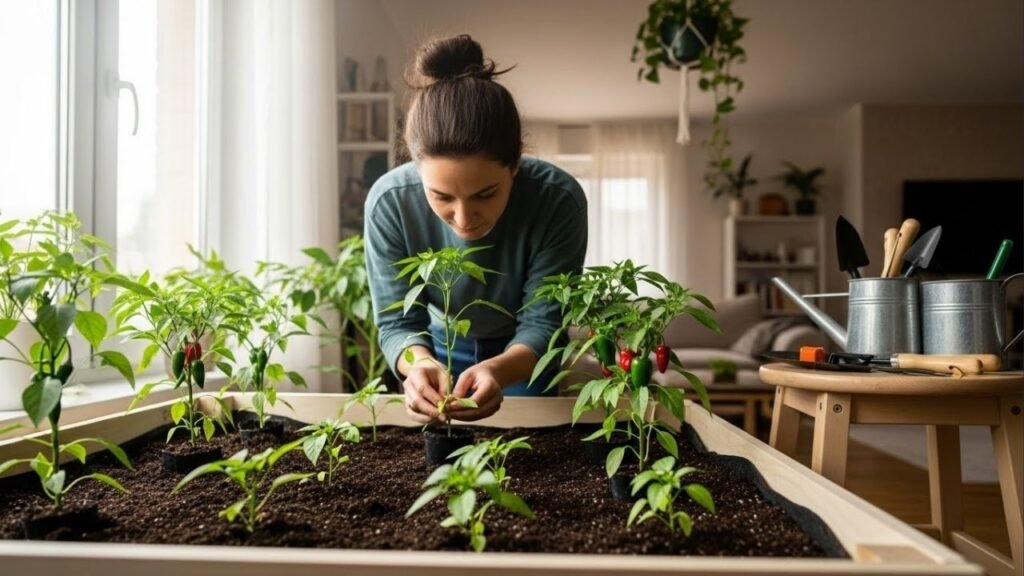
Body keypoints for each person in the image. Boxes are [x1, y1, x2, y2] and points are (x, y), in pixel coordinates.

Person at [364, 34, 587, 426]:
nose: (465, 218)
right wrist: (419, 366)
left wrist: (498, 370)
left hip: (526, 357)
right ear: (417, 170)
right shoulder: (390, 203)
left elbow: (543, 322)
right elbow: (399, 323)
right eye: (442, 197)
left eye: (485, 194)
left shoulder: (557, 199)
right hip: (439, 347)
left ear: (515, 162)